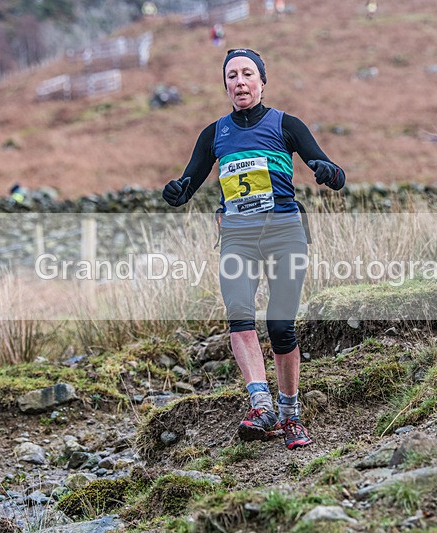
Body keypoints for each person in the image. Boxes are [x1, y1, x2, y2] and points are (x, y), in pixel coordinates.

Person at [162, 48, 345, 450]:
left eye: (247, 74)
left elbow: (332, 171)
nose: (239, 82)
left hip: (285, 232)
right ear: (225, 84)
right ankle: (261, 405)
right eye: (232, 76)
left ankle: (290, 414)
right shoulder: (214, 134)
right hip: (238, 237)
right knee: (239, 314)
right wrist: (175, 191)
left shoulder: (287, 125)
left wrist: (329, 172)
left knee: (281, 326)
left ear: (262, 81)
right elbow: (187, 186)